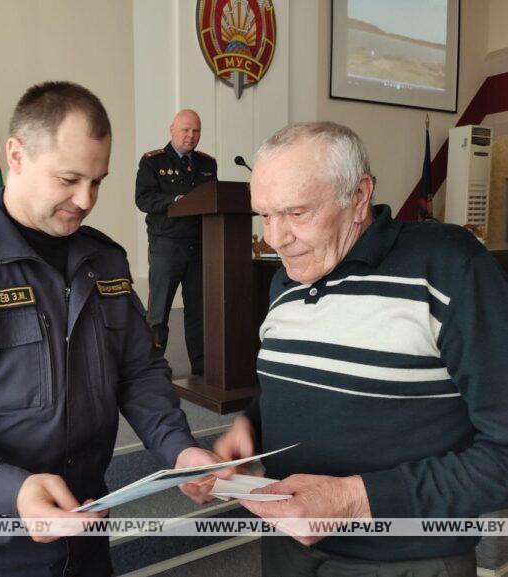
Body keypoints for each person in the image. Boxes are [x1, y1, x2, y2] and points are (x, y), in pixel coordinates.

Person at [0, 81, 224, 577]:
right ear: (16, 154)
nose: (85, 199)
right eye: (69, 178)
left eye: (97, 181)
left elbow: (139, 371)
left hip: (88, 531)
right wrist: (10, 489)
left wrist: (178, 447)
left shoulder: (106, 259)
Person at [214, 121, 508, 576]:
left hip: (405, 558)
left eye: (295, 213)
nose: (275, 239)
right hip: (288, 546)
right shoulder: (286, 280)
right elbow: (304, 378)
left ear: (359, 196)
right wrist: (251, 423)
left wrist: (353, 499)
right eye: (264, 215)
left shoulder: (450, 268)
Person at [135, 109, 217, 375]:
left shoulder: (207, 164)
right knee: (158, 313)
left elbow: (214, 200)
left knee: (198, 312)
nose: (191, 136)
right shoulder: (153, 162)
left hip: (199, 247)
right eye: (185, 130)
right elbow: (144, 200)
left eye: (196, 131)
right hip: (166, 247)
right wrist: (175, 201)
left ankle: (202, 369)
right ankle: (151, 370)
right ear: (172, 130)